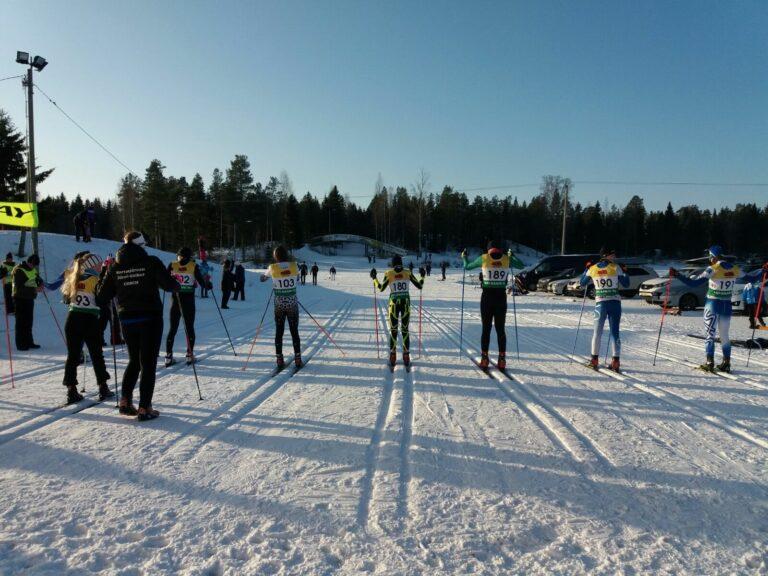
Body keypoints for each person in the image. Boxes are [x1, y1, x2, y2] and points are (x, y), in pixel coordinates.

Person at [96, 231, 180, 421]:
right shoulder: (151, 262)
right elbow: (169, 286)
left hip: (127, 319)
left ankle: (125, 401)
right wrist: (173, 281)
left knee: (135, 360)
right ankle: (144, 408)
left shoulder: (115, 267)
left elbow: (102, 297)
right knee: (148, 362)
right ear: (141, 246)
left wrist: (105, 273)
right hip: (150, 317)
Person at [671, 246, 768, 372]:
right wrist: (763, 270)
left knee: (710, 335)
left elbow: (693, 283)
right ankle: (726, 363)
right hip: (727, 305)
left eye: (710, 257)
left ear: (712, 257)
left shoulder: (712, 269)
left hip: (713, 304)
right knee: (724, 336)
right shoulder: (735, 268)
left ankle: (709, 362)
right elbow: (752, 278)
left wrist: (677, 275)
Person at [60, 251, 113, 404]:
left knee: (73, 356)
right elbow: (102, 299)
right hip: (90, 319)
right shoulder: (95, 279)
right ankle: (103, 387)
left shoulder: (73, 278)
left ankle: (71, 390)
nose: (100, 265)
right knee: (97, 354)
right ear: (92, 265)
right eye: (98, 263)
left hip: (72, 319)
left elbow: (65, 299)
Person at [461, 242, 524, 370]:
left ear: (488, 249)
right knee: (500, 329)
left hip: (487, 297)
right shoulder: (506, 259)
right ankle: (502, 360)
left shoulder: (484, 258)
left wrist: (464, 257)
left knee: (486, 328)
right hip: (501, 297)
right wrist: (513, 256)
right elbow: (521, 265)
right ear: (500, 249)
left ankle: (484, 359)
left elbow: (467, 267)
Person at [579, 248, 629, 372]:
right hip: (614, 304)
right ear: (606, 256)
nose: (614, 257)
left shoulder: (593, 268)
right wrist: (625, 271)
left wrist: (586, 269)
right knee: (614, 333)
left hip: (601, 304)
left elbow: (582, 283)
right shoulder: (616, 267)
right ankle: (615, 362)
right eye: (612, 255)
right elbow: (626, 284)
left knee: (597, 332)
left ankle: (594, 360)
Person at [371, 255, 424, 367]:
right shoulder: (408, 272)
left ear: (393, 263)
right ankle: (406, 355)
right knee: (405, 330)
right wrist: (423, 276)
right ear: (401, 263)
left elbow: (381, 288)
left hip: (394, 305)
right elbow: (419, 286)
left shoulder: (389, 273)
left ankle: (393, 355)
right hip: (405, 304)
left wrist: (374, 278)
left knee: (394, 330)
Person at [166, 247, 210, 367]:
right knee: (189, 327)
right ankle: (189, 355)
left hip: (175, 300)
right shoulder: (192, 266)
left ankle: (168, 356)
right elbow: (201, 282)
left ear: (179, 255)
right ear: (189, 256)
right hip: (188, 301)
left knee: (172, 329)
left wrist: (172, 283)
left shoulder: (172, 265)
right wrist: (208, 285)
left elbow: (165, 281)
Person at [260, 245, 302, 369]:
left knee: (279, 331)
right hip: (292, 304)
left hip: (279, 305)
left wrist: (267, 277)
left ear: (275, 256)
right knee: (294, 331)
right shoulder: (294, 266)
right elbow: (298, 277)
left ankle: (279, 358)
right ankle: (298, 358)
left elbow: (263, 278)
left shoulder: (272, 268)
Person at [12, 254, 43, 351]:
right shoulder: (19, 270)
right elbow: (19, 288)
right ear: (29, 262)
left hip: (29, 298)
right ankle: (21, 344)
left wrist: (39, 282)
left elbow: (35, 279)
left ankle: (29, 342)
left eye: (35, 266)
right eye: (33, 265)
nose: (34, 267)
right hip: (19, 298)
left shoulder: (33, 270)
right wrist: (34, 289)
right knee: (21, 322)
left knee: (29, 321)